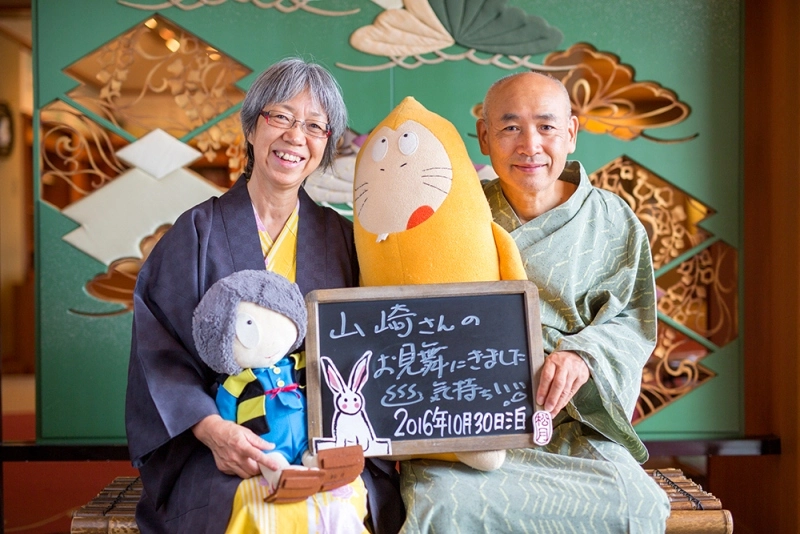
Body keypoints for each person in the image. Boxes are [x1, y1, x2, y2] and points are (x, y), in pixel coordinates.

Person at [125, 57, 402, 533]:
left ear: (326, 144)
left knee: (340, 505)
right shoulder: (197, 232)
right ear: (253, 127)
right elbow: (160, 352)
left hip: (326, 443)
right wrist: (212, 430)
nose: (296, 136)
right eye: (281, 117)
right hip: (224, 446)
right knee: (260, 507)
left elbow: (375, 351)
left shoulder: (342, 238)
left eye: (314, 126)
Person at [398, 72, 671, 533]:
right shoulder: (452, 215)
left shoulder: (612, 220)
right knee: (442, 505)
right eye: (510, 127)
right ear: (484, 136)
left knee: (637, 505)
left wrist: (582, 355)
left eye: (546, 126)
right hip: (467, 427)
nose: (530, 145)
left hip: (572, 428)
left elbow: (631, 318)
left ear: (571, 132)